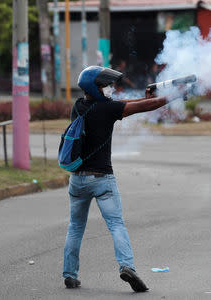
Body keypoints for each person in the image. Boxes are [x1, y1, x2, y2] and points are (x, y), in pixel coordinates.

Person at [62, 66, 168, 292]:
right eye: (105, 85)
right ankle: (127, 267)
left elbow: (131, 103)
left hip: (77, 180)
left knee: (75, 227)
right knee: (116, 224)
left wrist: (147, 96)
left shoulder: (79, 106)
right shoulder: (107, 109)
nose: (109, 89)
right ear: (95, 88)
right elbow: (145, 107)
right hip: (102, 180)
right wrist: (170, 97)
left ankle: (70, 274)